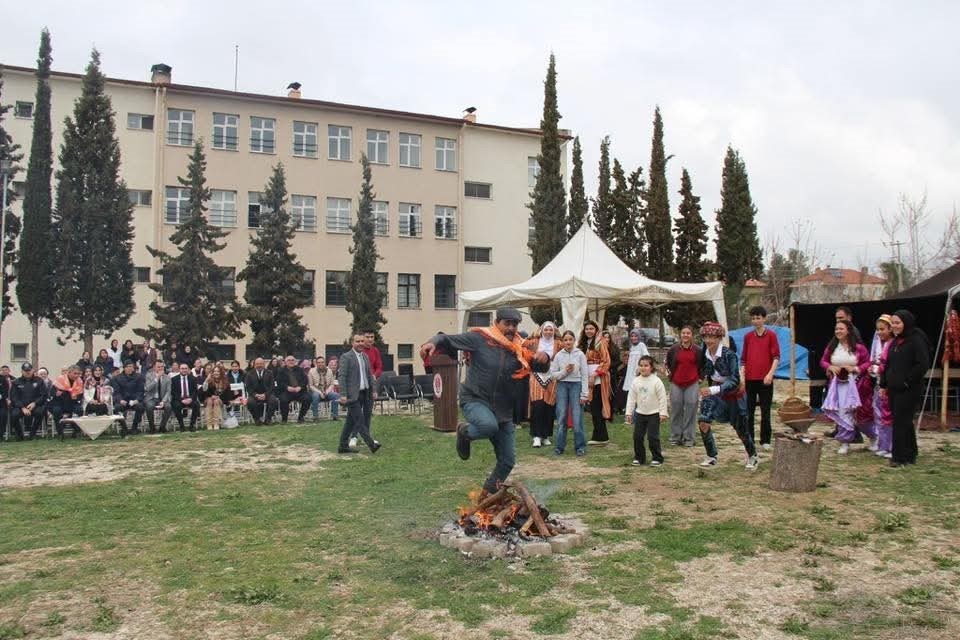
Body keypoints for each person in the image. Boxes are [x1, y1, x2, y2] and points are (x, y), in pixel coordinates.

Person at [420, 307, 550, 491]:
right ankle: (465, 432)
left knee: (507, 461)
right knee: (488, 426)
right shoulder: (479, 338)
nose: (511, 328)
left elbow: (540, 367)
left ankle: (487, 494)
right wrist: (432, 342)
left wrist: (545, 358)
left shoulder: (520, 348)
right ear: (497, 323)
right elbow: (446, 339)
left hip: (504, 411)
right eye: (507, 324)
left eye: (515, 324)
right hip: (475, 399)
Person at [696, 322, 759, 469]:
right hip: (715, 395)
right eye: (706, 337)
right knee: (703, 421)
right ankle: (711, 456)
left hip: (734, 395)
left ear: (719, 338)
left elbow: (734, 380)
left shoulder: (729, 355)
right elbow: (702, 371)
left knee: (741, 430)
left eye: (712, 337)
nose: (709, 340)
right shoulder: (704, 353)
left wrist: (713, 390)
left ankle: (752, 455)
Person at [881, 310, 930, 467]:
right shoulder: (895, 342)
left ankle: (899, 456)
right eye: (893, 323)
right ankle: (910, 453)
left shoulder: (915, 339)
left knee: (901, 421)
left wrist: (907, 381)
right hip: (894, 388)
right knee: (903, 421)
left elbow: (922, 364)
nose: (894, 326)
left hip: (909, 388)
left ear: (905, 323)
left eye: (897, 323)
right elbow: (888, 365)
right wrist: (883, 384)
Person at [821, 319, 877, 454]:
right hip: (838, 386)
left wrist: (855, 368)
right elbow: (823, 361)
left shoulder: (859, 348)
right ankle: (845, 442)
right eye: (836, 329)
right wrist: (830, 366)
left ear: (848, 331)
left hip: (857, 385)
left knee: (861, 414)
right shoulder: (832, 347)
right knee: (842, 412)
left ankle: (874, 437)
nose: (838, 331)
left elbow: (867, 363)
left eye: (841, 329)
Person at [740, 306, 781, 451]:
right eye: (753, 318)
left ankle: (765, 440)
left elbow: (776, 357)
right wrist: (742, 376)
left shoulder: (771, 335)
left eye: (758, 318)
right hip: (750, 379)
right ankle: (749, 438)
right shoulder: (748, 337)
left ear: (764, 318)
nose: (755, 321)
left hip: (765, 379)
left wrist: (770, 374)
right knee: (748, 411)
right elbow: (743, 359)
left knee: (765, 411)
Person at [338, 334, 382, 454]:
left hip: (365, 393)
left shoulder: (365, 357)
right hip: (352, 395)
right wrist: (343, 394)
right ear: (352, 343)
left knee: (350, 421)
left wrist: (373, 390)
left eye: (362, 341)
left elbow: (369, 375)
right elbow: (342, 377)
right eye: (358, 341)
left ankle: (342, 446)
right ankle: (371, 444)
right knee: (360, 420)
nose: (361, 343)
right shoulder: (346, 357)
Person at [549, 329, 589, 456]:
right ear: (562, 341)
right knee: (561, 416)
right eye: (565, 340)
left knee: (577, 417)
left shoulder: (580, 354)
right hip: (562, 385)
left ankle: (580, 447)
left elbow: (585, 374)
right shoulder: (558, 355)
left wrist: (584, 394)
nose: (568, 342)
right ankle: (559, 447)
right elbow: (553, 374)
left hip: (576, 385)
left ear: (574, 340)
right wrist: (565, 371)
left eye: (570, 339)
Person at [625, 355, 669, 466]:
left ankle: (657, 458)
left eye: (646, 365)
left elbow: (662, 398)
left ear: (651, 367)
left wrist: (663, 413)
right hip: (640, 413)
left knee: (652, 437)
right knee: (637, 436)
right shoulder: (636, 381)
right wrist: (629, 412)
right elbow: (631, 398)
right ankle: (639, 458)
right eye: (641, 365)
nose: (643, 368)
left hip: (654, 414)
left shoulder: (656, 381)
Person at [524, 321, 561, 448]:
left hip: (552, 375)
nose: (548, 332)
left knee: (549, 405)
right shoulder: (535, 341)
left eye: (551, 330)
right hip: (536, 375)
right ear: (542, 330)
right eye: (546, 330)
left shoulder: (558, 344)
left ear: (554, 331)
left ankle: (545, 435)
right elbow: (522, 344)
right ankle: (536, 436)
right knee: (538, 405)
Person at [665, 326, 702, 447]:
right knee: (676, 409)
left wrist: (700, 377)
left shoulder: (697, 350)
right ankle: (676, 436)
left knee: (691, 409)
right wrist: (670, 375)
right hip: (676, 382)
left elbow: (703, 364)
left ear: (692, 335)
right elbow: (668, 363)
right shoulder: (674, 349)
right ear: (680, 335)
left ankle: (689, 438)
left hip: (692, 382)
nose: (686, 335)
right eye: (683, 333)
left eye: (688, 333)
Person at [580, 321, 612, 444]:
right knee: (593, 407)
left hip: (598, 377)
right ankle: (599, 435)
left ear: (596, 329)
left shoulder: (601, 342)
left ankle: (601, 437)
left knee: (597, 406)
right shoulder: (584, 343)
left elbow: (606, 361)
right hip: (587, 376)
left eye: (591, 328)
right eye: (587, 328)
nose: (589, 331)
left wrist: (595, 374)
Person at [868, 315, 894, 459]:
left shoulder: (893, 344)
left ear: (890, 329)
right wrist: (873, 368)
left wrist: (880, 369)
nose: (879, 332)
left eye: (882, 329)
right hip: (880, 383)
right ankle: (883, 444)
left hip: (890, 384)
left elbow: (890, 365)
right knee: (880, 414)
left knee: (889, 415)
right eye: (878, 329)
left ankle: (891, 446)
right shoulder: (879, 344)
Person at [11, 363, 48, 440]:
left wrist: (35, 403)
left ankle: (33, 434)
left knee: (40, 413)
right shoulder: (16, 382)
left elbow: (43, 395)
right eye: (25, 371)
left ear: (33, 370)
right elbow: (14, 397)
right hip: (21, 407)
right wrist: (22, 407)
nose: (28, 372)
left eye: (29, 370)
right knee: (14, 415)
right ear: (22, 371)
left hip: (35, 405)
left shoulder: (39, 381)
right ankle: (20, 435)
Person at [112, 360, 145, 435]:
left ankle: (134, 427)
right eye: (127, 367)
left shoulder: (138, 377)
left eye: (131, 366)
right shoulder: (117, 378)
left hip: (134, 400)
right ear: (124, 368)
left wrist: (137, 400)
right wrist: (120, 400)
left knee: (140, 407)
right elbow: (116, 392)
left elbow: (141, 391)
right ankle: (124, 428)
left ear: (133, 368)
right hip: (123, 400)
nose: (129, 368)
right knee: (116, 408)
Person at [50, 366, 84, 438]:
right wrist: (56, 393)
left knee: (80, 410)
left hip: (72, 402)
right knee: (56, 411)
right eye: (75, 373)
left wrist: (77, 397)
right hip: (60, 402)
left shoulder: (79, 381)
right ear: (69, 372)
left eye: (78, 374)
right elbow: (52, 392)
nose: (77, 375)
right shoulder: (60, 379)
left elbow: (80, 394)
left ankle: (77, 431)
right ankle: (60, 432)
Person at [621, 329, 651, 408]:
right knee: (631, 392)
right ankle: (632, 412)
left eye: (635, 336)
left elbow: (646, 357)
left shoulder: (641, 345)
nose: (633, 338)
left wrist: (640, 368)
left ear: (639, 337)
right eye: (632, 336)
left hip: (638, 372)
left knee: (639, 392)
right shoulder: (631, 347)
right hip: (630, 372)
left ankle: (640, 410)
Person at [276, 355, 310, 423]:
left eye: (292, 360)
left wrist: (300, 387)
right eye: (289, 360)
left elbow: (305, 380)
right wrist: (287, 387)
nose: (291, 361)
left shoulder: (300, 369)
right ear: (285, 362)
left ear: (295, 361)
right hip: (287, 391)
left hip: (299, 391)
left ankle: (301, 417)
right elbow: (279, 382)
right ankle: (284, 419)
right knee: (283, 400)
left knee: (308, 398)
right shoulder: (281, 370)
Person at [244, 358, 277, 425]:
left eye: (261, 364)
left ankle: (268, 419)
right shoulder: (249, 374)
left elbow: (272, 386)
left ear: (264, 364)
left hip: (267, 394)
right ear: (254, 365)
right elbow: (248, 387)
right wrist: (256, 395)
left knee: (274, 400)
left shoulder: (269, 373)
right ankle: (257, 419)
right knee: (250, 402)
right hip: (254, 395)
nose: (259, 365)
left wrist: (265, 395)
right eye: (257, 364)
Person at [144, 360, 172, 433]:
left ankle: (162, 427)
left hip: (162, 398)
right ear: (154, 367)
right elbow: (148, 388)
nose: (160, 368)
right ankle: (152, 428)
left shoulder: (167, 377)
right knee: (149, 407)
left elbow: (168, 391)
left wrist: (163, 401)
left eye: (162, 366)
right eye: (158, 367)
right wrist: (157, 378)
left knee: (168, 407)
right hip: (151, 398)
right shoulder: (149, 375)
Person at [309, 356, 340, 421]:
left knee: (336, 395)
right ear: (316, 363)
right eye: (319, 362)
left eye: (322, 362)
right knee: (315, 396)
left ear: (325, 363)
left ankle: (335, 416)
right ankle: (315, 416)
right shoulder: (311, 371)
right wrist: (320, 393)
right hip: (316, 391)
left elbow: (332, 384)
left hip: (327, 391)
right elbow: (311, 385)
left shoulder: (329, 371)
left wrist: (327, 392)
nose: (320, 364)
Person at [171, 362, 200, 431]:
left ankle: (191, 425)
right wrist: (181, 399)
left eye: (185, 368)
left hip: (190, 399)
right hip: (179, 400)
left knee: (196, 405)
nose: (184, 370)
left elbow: (195, 391)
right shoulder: (174, 379)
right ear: (179, 369)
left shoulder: (193, 379)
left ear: (188, 369)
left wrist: (190, 399)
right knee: (176, 406)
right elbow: (173, 392)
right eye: (182, 368)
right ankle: (182, 426)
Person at [201, 364, 229, 430]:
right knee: (210, 401)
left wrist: (218, 397)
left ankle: (216, 423)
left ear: (221, 372)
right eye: (215, 371)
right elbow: (204, 390)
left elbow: (227, 394)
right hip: (209, 400)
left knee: (216, 401)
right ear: (212, 373)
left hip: (221, 400)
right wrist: (206, 381)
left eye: (218, 371)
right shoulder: (209, 380)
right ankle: (209, 424)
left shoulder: (225, 381)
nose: (216, 373)